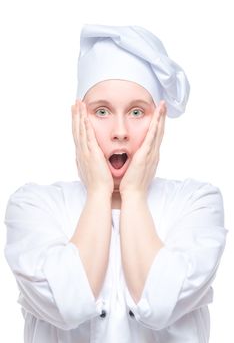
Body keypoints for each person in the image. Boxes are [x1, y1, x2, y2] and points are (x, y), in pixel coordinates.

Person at [4, 24, 228, 343]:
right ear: (78, 118)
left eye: (137, 111)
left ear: (158, 121)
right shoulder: (33, 206)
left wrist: (134, 194)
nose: (119, 130)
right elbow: (68, 304)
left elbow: (159, 304)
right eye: (102, 111)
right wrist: (98, 193)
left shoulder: (197, 203)